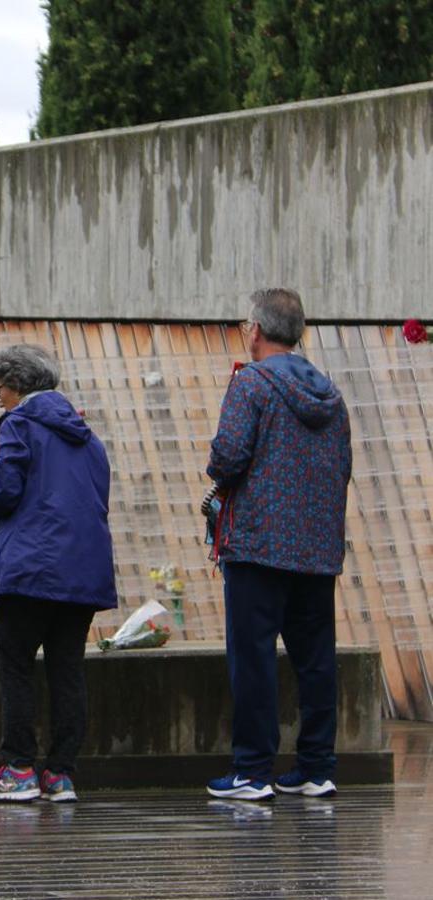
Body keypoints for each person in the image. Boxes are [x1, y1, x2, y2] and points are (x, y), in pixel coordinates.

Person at [204, 288, 352, 801]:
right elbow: (345, 470)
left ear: (256, 331)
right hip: (317, 550)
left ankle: (252, 771)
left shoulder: (252, 384)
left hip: (259, 546)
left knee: (254, 657)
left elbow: (227, 458)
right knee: (315, 661)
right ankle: (315, 767)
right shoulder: (331, 395)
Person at [0, 344, 117, 803]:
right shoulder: (87, 437)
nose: (1, 399)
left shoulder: (20, 424)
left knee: (14, 664)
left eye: (0, 390)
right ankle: (61, 774)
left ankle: (19, 769)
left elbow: (7, 491)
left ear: (15, 385)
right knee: (67, 668)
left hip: (31, 568)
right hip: (82, 570)